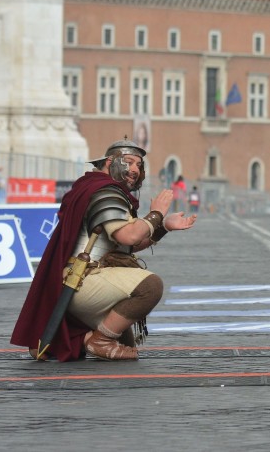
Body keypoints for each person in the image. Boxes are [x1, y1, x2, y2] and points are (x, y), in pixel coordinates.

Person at [10, 139, 197, 362]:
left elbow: (129, 245)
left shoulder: (103, 190)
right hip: (83, 281)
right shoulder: (105, 192)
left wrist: (163, 226)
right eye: (129, 162)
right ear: (110, 162)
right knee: (150, 286)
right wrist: (156, 213)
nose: (135, 170)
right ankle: (99, 340)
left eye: (139, 165)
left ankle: (80, 339)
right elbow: (129, 236)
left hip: (82, 282)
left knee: (126, 346)